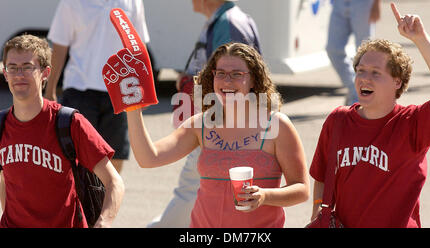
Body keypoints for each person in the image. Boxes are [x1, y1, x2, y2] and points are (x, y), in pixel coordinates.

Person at [124, 42, 309, 227]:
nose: (227, 81)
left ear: (253, 79)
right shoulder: (201, 124)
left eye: (237, 74)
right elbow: (148, 158)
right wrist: (133, 109)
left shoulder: (276, 125)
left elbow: (301, 189)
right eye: (220, 73)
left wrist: (264, 195)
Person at [309, 3, 430, 227]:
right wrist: (319, 212)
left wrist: (420, 39)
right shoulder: (338, 120)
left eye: (376, 73)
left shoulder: (412, 124)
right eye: (361, 71)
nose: (364, 78)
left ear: (397, 81)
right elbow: (321, 176)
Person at [150, 0, 261, 227]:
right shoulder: (224, 20)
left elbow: (232, 79)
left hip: (219, 123)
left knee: (191, 189)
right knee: (196, 190)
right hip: (217, 121)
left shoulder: (228, 23)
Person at [0, 34, 124, 228]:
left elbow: (114, 182)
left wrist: (104, 221)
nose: (19, 75)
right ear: (5, 73)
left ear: (45, 73)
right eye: (12, 68)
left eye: (27, 67)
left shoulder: (68, 122)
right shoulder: (1, 125)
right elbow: (4, 180)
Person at [44, 0, 150, 174]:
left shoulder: (133, 2)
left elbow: (138, 46)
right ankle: (79, 201)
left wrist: (144, 90)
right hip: (79, 89)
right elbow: (60, 45)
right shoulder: (72, 2)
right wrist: (50, 89)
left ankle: (108, 200)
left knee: (115, 157)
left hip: (121, 91)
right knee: (76, 158)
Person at [326, 0, 381, 105]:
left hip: (362, 4)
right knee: (333, 49)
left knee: (365, 52)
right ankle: (356, 90)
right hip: (339, 3)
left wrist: (376, 3)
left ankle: (359, 96)